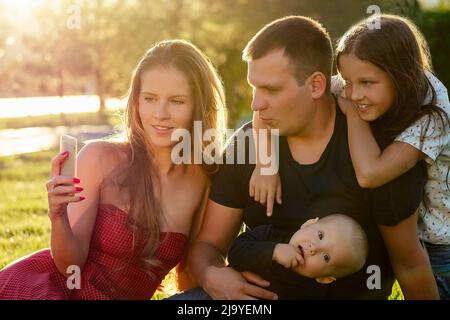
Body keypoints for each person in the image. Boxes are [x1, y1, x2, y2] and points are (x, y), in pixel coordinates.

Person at [185, 15, 438, 300]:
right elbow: (207, 246)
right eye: (254, 87)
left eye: (271, 89)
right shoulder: (249, 146)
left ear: (317, 85)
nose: (256, 103)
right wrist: (211, 275)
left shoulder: (381, 155)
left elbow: (410, 266)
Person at [0, 39, 227, 300]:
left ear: (199, 106)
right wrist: (58, 216)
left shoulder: (202, 180)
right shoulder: (100, 157)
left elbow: (188, 280)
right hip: (49, 291)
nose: (160, 113)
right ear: (137, 102)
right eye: (150, 99)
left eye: (177, 101)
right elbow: (68, 266)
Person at [335, 14, 449, 300]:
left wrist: (350, 112)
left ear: (401, 76)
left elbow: (371, 173)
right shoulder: (365, 80)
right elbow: (310, 86)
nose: (354, 93)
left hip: (441, 246)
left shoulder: (433, 114)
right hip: (410, 232)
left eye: (366, 83)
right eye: (347, 81)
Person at [228, 214, 369, 299]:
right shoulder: (272, 235)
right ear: (308, 224)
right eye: (320, 235)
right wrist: (274, 250)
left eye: (326, 257)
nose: (314, 248)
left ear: (324, 279)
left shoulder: (310, 294)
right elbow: (235, 253)